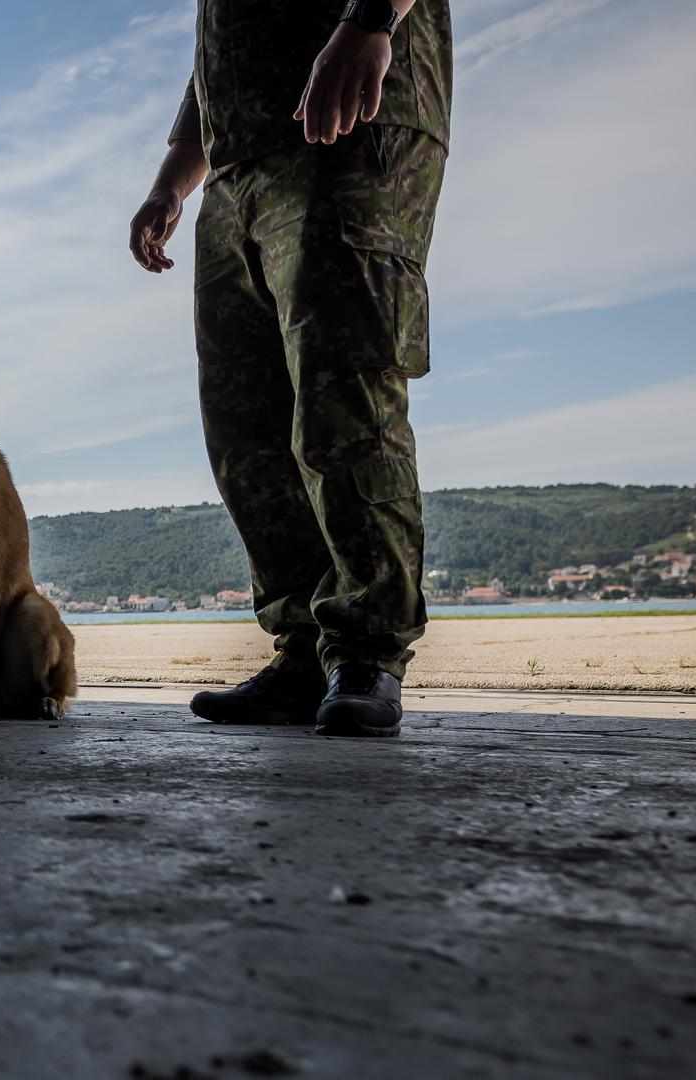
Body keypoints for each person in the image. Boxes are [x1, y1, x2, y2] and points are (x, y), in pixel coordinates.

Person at [128, 0, 452, 737]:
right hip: (237, 169)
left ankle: (365, 652)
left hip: (352, 127)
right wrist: (172, 181)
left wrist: (369, 21)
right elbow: (210, 64)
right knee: (246, 428)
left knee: (344, 397)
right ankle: (305, 653)